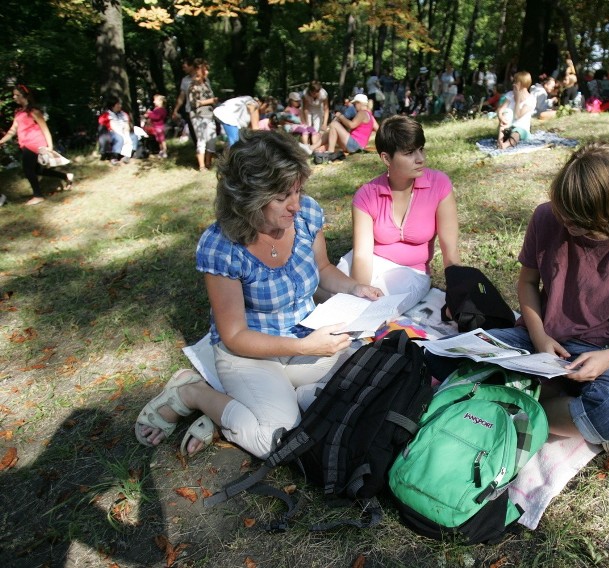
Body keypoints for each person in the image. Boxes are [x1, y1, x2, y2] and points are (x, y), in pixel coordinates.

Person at [135, 130, 383, 459]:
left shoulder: (307, 214)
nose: (296, 204)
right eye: (282, 197)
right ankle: (193, 394)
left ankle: (241, 408)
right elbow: (235, 335)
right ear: (249, 199)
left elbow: (322, 270)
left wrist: (355, 288)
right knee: (279, 440)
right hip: (250, 355)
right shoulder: (222, 246)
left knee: (367, 376)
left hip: (304, 340)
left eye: (298, 190)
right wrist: (305, 347)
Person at [426, 142, 609, 456]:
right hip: (536, 336)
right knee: (437, 357)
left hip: (594, 351)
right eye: (563, 215)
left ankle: (509, 407)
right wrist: (540, 338)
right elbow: (527, 281)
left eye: (579, 224)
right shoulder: (546, 216)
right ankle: (537, 399)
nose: (567, 226)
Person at [335, 115, 461, 314]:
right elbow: (362, 254)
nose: (420, 158)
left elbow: (450, 250)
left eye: (421, 149)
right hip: (370, 263)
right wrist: (359, 293)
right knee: (334, 297)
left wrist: (458, 294)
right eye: (410, 152)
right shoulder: (367, 195)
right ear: (386, 158)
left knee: (380, 310)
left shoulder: (439, 185)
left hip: (412, 272)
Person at [0, 85, 73, 205]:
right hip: (25, 145)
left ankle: (38, 195)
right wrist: (1, 141)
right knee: (38, 170)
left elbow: (45, 129)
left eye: (17, 95)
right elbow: (12, 131)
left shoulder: (34, 111)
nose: (14, 97)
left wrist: (49, 146)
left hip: (35, 144)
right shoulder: (18, 113)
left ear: (25, 96)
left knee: (28, 170)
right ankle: (66, 176)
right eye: (13, 95)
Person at [311, 93, 377, 163]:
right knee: (331, 133)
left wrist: (340, 116)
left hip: (355, 145)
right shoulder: (370, 116)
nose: (355, 107)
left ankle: (330, 153)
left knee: (334, 124)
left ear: (359, 103)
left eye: (355, 104)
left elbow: (351, 125)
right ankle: (311, 148)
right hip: (359, 146)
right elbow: (378, 128)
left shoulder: (362, 113)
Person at [188, 58, 219, 170]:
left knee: (212, 139)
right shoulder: (193, 85)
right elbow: (194, 103)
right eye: (205, 70)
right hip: (198, 116)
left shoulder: (207, 83)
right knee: (201, 140)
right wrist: (210, 101)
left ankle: (208, 163)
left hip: (209, 115)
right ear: (199, 70)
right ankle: (202, 166)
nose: (207, 72)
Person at [496, 70, 535, 149]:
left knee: (516, 133)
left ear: (522, 84)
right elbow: (500, 109)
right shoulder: (510, 94)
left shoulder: (531, 99)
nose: (513, 84)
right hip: (508, 126)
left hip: (521, 128)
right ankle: (499, 141)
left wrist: (517, 100)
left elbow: (517, 116)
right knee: (506, 113)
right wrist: (500, 116)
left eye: (516, 82)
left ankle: (505, 145)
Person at [97, 96, 139, 164]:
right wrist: (122, 135)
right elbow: (109, 126)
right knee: (119, 138)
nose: (120, 106)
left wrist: (126, 134)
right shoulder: (107, 115)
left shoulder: (123, 114)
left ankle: (130, 154)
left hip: (124, 131)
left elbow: (126, 125)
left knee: (134, 137)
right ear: (113, 106)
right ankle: (114, 156)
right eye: (118, 104)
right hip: (111, 132)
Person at [171, 58, 197, 145]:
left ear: (191, 66)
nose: (183, 69)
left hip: (202, 111)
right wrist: (175, 110)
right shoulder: (185, 80)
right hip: (190, 111)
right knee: (194, 135)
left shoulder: (202, 77)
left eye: (185, 66)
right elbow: (182, 96)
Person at [145, 94, 168, 158]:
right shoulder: (156, 109)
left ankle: (165, 151)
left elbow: (156, 117)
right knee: (159, 140)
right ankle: (161, 151)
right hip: (156, 127)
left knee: (162, 140)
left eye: (155, 100)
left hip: (159, 127)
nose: (153, 102)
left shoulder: (161, 109)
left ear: (160, 101)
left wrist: (149, 114)